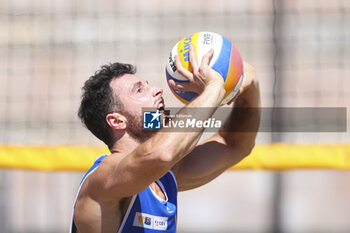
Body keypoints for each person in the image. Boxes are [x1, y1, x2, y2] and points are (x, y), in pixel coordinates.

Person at [70, 44, 260, 233]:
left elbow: (235, 144)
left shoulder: (165, 177)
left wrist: (249, 86)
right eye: (139, 90)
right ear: (117, 121)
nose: (157, 89)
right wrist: (214, 88)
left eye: (147, 85)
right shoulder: (103, 177)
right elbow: (161, 154)